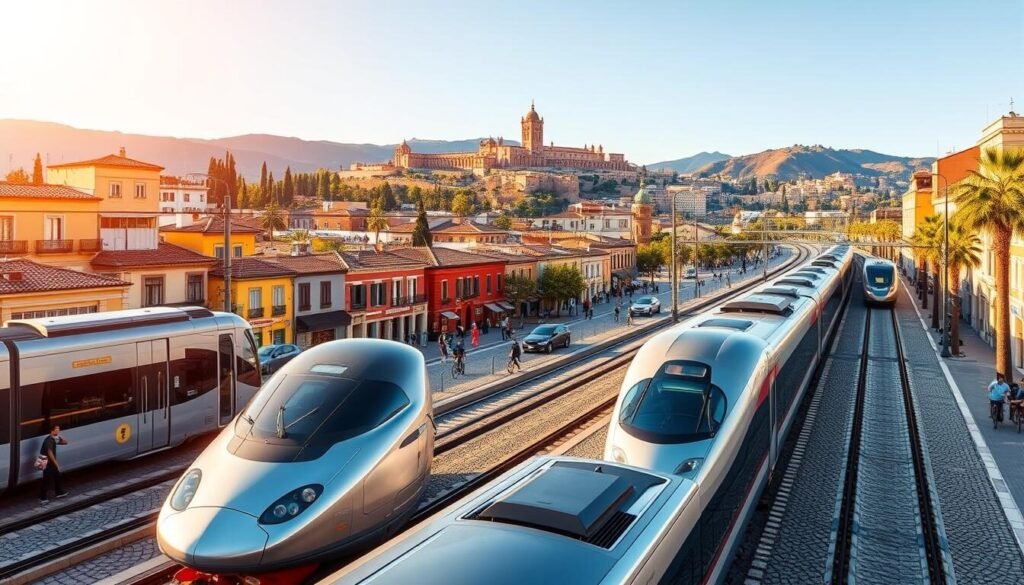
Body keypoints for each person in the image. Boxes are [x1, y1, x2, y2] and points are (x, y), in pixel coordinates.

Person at [39, 424, 68, 503]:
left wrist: (60, 436)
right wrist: (56, 464)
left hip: (50, 462)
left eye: (59, 429)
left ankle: (59, 492)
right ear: (52, 430)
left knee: (57, 476)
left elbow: (65, 442)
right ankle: (43, 497)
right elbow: (50, 452)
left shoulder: (53, 439)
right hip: (47, 462)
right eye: (57, 429)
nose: (58, 430)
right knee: (47, 479)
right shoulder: (49, 440)